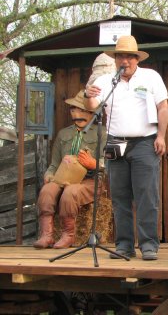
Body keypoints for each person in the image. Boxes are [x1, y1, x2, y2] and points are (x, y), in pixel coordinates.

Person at [84, 35, 168, 261]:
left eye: (130, 57)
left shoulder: (150, 77)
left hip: (144, 142)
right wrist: (88, 96)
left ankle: (149, 245)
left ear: (136, 58)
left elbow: (163, 107)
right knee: (120, 197)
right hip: (115, 141)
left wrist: (161, 135)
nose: (126, 61)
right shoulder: (105, 81)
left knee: (146, 196)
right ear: (116, 59)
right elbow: (93, 108)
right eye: (121, 56)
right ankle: (124, 245)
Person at [33, 90, 106, 249]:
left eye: (81, 110)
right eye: (73, 110)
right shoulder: (63, 134)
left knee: (70, 193)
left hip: (89, 180)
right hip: (63, 177)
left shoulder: (102, 133)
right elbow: (54, 164)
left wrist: (93, 163)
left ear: (91, 112)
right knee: (47, 191)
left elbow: (108, 163)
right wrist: (49, 174)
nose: (76, 114)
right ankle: (47, 235)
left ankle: (68, 236)